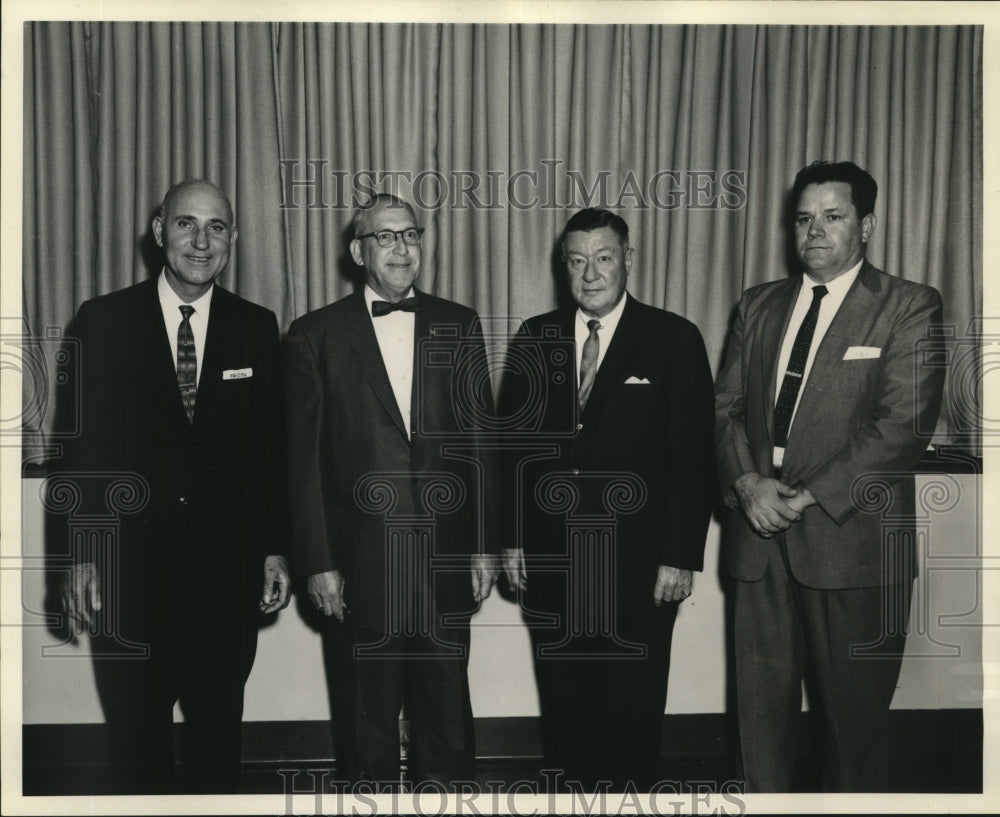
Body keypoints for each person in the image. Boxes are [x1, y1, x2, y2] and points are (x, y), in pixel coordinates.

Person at [715, 160, 946, 792]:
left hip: (854, 549)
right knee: (757, 733)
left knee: (855, 735)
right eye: (803, 218)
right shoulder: (757, 305)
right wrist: (745, 484)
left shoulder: (909, 307)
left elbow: (902, 426)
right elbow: (725, 409)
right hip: (759, 545)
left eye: (833, 216)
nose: (814, 231)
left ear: (866, 225)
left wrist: (808, 494)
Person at [56, 178, 290, 793]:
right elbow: (81, 455)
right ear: (159, 232)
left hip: (224, 582)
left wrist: (273, 548)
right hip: (130, 579)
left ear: (233, 239)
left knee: (219, 741)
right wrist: (83, 553)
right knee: (138, 747)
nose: (201, 240)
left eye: (216, 227)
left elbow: (269, 455)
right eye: (186, 224)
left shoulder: (256, 327)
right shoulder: (102, 321)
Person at [284, 193, 497, 788]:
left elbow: (481, 444)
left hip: (445, 561)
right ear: (358, 251)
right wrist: (319, 562)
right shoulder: (313, 335)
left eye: (410, 234)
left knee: (447, 721)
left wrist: (484, 544)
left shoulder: (460, 323)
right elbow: (301, 465)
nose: (402, 247)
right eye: (385, 237)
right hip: (361, 567)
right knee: (366, 722)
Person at [499, 207, 715, 790]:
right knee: (566, 720)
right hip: (553, 566)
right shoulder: (535, 337)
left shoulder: (673, 339)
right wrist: (510, 538)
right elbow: (510, 452)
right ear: (562, 266)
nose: (590, 273)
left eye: (603, 258)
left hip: (640, 570)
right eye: (576, 260)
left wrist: (680, 555)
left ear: (627, 259)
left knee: (631, 717)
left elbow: (694, 461)